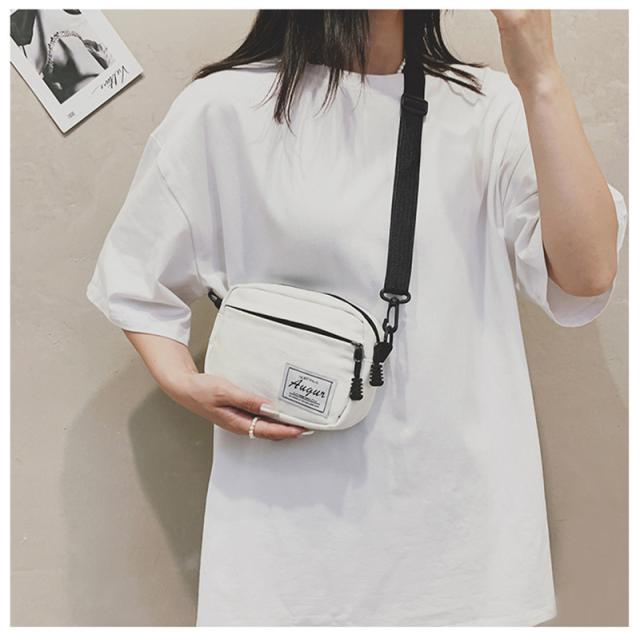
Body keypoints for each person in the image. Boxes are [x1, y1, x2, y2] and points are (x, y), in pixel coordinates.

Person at [86, 9, 628, 626]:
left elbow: (587, 274)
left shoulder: (489, 107)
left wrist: (541, 75)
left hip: (463, 546)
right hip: (287, 546)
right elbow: (134, 275)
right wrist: (182, 382)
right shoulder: (224, 108)